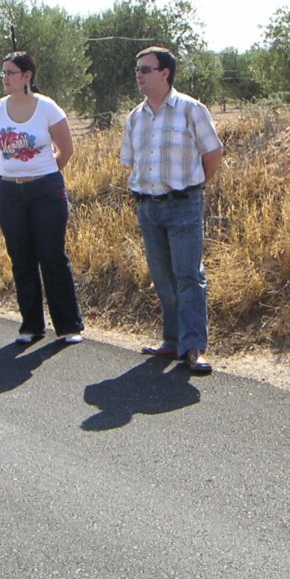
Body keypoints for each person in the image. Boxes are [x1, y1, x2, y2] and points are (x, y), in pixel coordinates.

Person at [120, 46, 223, 375]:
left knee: (188, 277)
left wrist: (193, 186)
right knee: (163, 278)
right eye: (137, 69)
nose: (139, 74)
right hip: (148, 208)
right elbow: (131, 162)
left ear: (165, 73)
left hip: (183, 205)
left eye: (146, 69)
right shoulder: (135, 117)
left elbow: (213, 153)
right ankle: (173, 340)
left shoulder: (191, 109)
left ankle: (194, 347)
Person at [0, 51, 84, 345]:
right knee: (21, 259)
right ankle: (31, 325)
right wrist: (17, 169)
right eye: (3, 73)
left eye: (11, 72)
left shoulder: (47, 108)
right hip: (8, 192)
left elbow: (65, 150)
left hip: (46, 192)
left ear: (27, 76)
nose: (5, 78)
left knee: (52, 257)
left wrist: (43, 173)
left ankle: (68, 326)